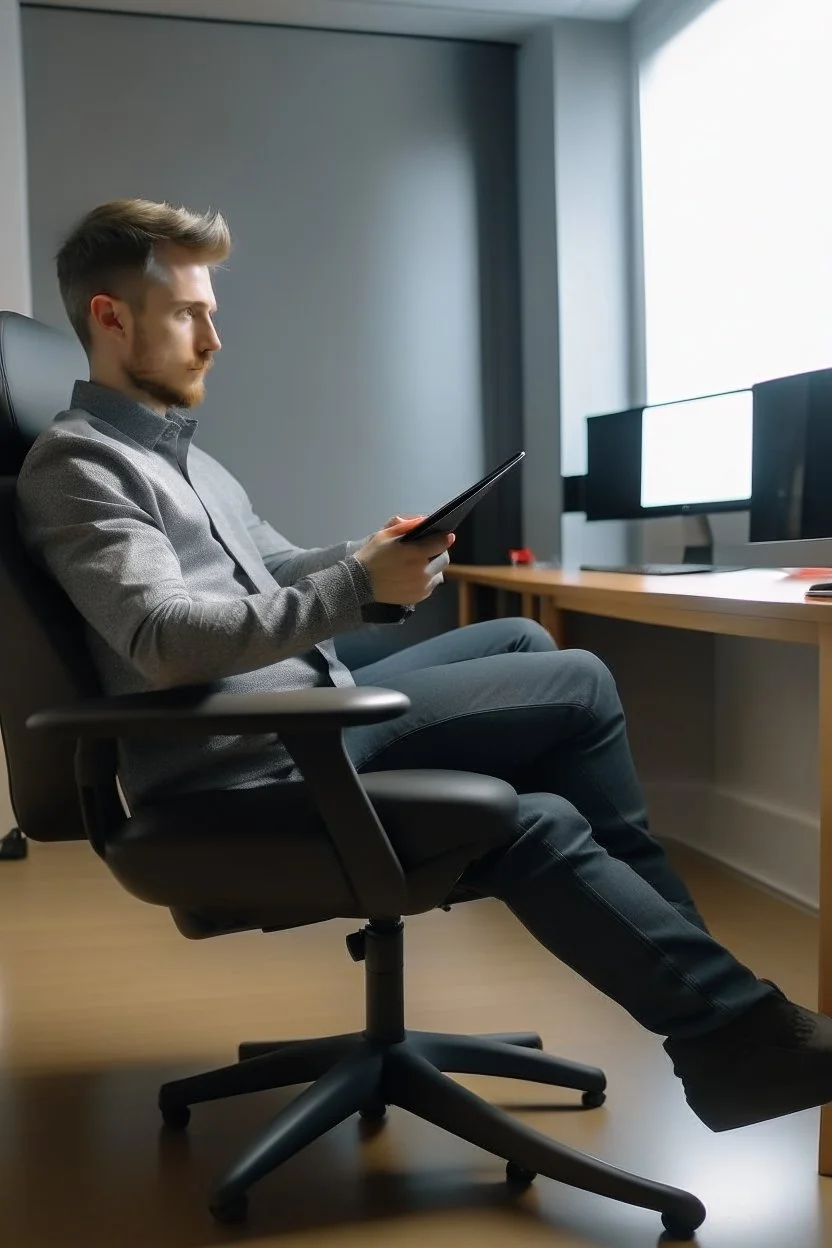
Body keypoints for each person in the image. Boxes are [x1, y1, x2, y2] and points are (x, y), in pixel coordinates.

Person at [16, 199, 832, 1136]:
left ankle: (715, 1004)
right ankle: (727, 1021)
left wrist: (367, 553)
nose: (214, 337)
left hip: (289, 714)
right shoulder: (78, 463)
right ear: (111, 317)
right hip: (246, 757)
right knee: (577, 695)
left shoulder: (172, 452)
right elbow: (163, 637)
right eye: (188, 313)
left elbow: (271, 569)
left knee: (529, 647)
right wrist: (359, 583)